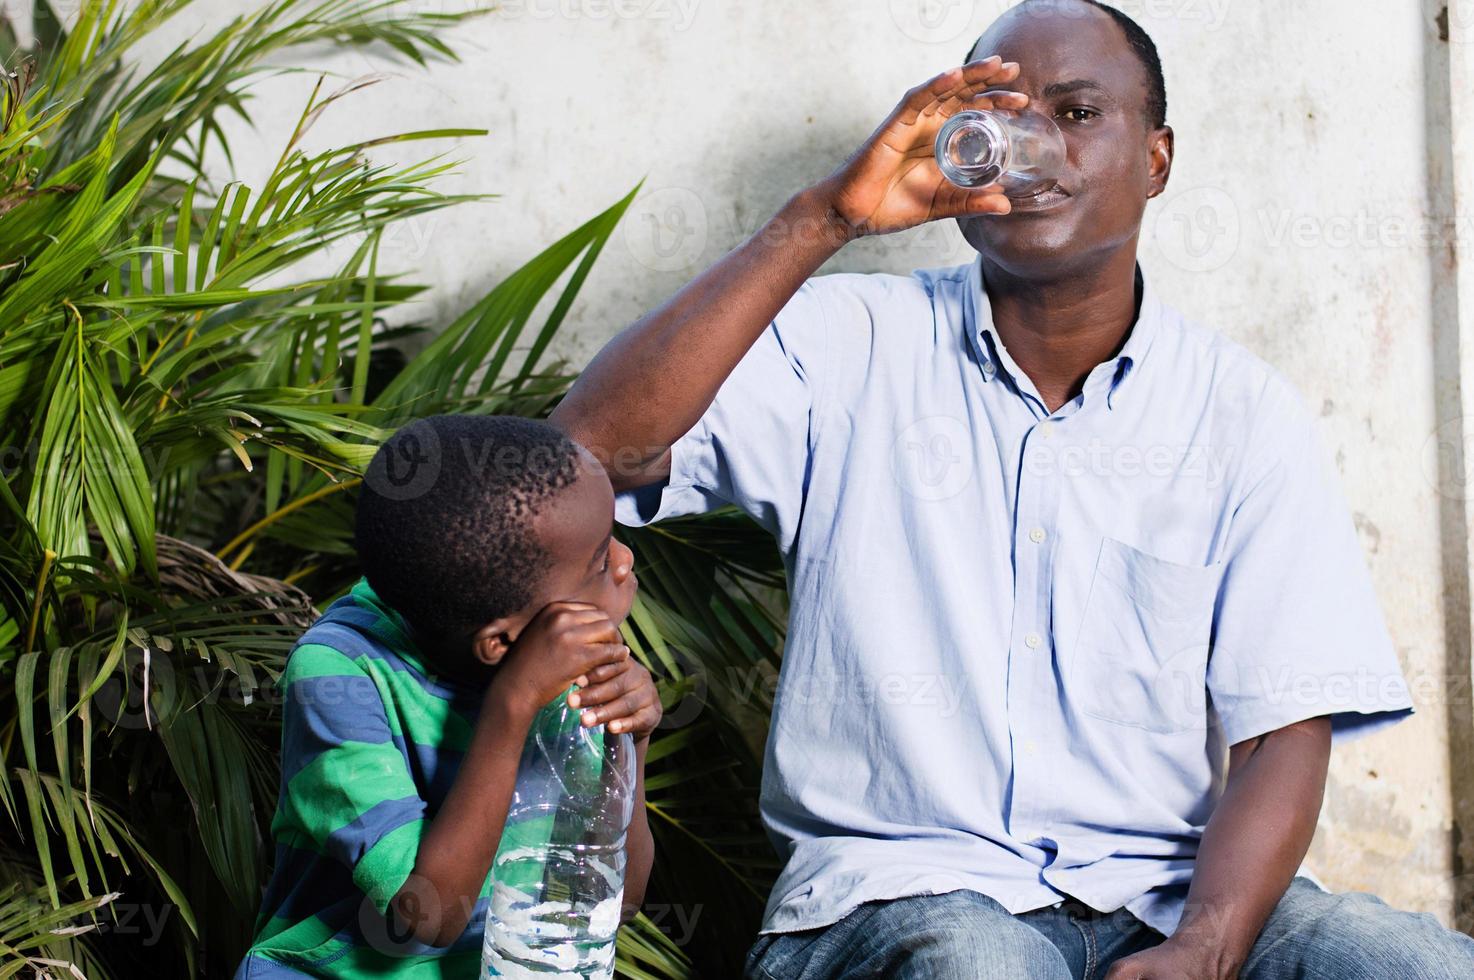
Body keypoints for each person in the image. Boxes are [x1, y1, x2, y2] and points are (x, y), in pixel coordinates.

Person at [547, 1, 1474, 977]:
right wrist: (826, 218)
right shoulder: (841, 343)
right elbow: (585, 457)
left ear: (1156, 160)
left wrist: (1205, 946)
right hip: (900, 893)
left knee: (1409, 960)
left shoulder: (1242, 415)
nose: (1033, 146)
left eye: (1075, 114)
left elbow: (1284, 726)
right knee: (978, 962)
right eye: (1000, 114)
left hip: (1163, 892)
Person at [235, 414, 661, 978]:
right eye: (599, 561)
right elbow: (427, 920)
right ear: (501, 641)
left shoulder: (554, 651)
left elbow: (619, 901)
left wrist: (631, 739)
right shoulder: (340, 675)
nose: (626, 560)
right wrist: (512, 705)